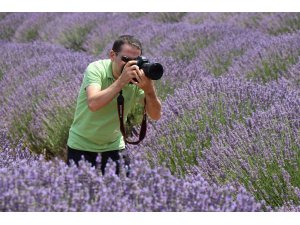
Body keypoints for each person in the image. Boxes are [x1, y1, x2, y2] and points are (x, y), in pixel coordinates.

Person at [67, 35, 161, 176]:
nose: (131, 65)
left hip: (114, 146)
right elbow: (93, 103)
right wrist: (121, 82)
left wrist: (149, 89)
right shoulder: (96, 69)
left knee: (125, 192)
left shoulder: (136, 79)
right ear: (112, 55)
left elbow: (156, 115)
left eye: (136, 60)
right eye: (126, 59)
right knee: (83, 195)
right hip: (81, 146)